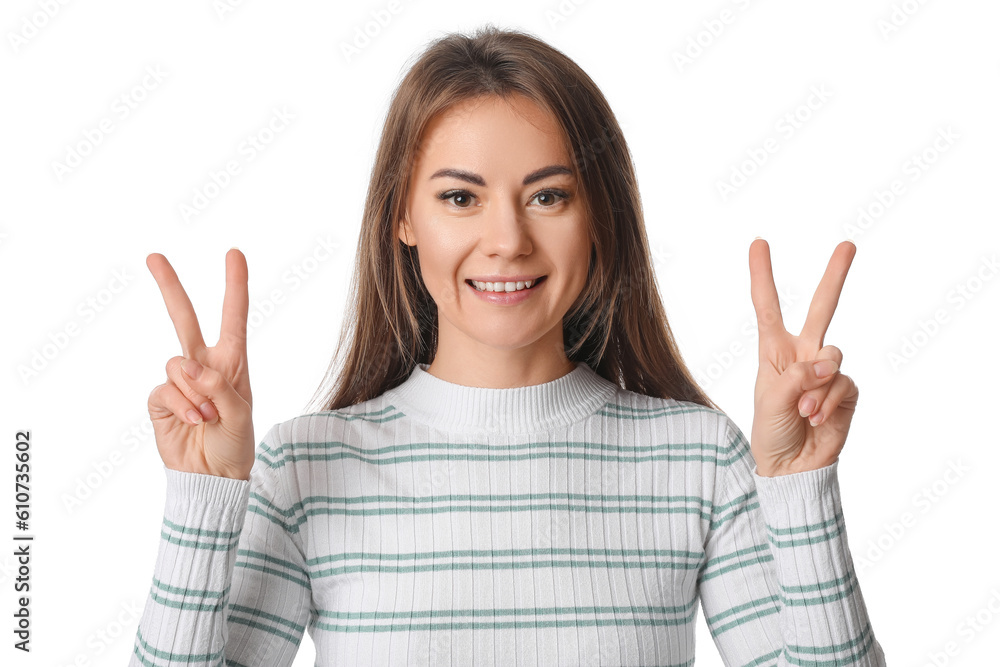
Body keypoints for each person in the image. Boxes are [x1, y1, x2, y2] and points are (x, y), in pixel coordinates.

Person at [130, 24, 886, 666]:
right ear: (403, 217)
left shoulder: (698, 459)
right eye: (460, 197)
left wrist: (799, 485)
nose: (507, 240)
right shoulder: (305, 468)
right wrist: (203, 499)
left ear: (598, 217)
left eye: (548, 195)